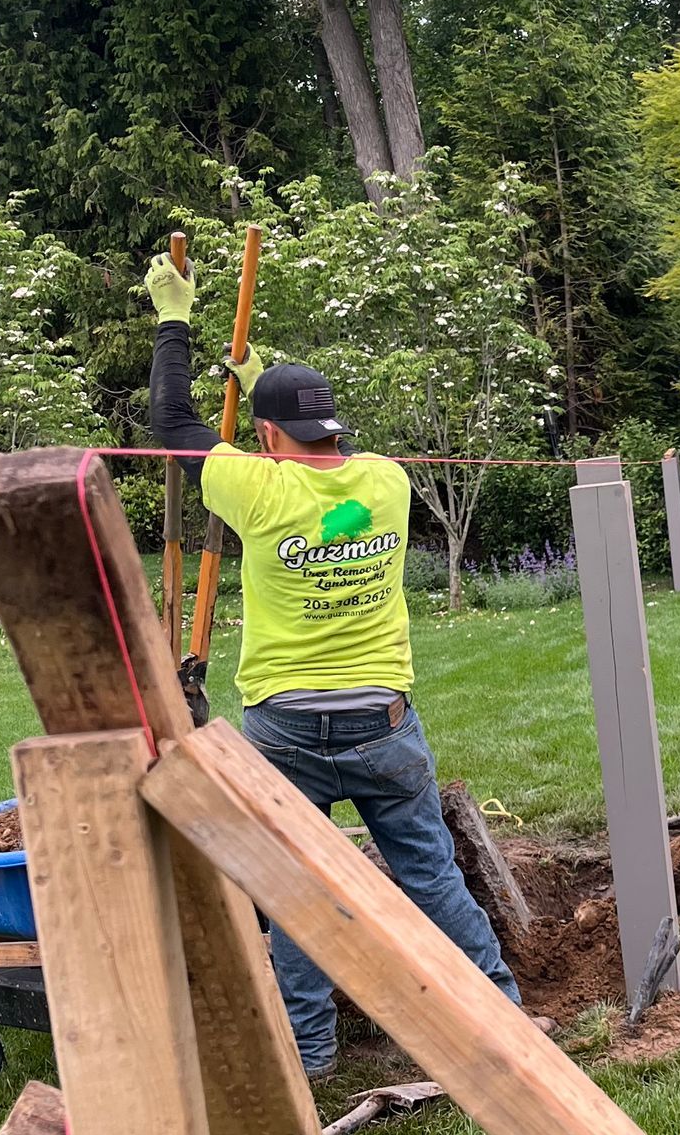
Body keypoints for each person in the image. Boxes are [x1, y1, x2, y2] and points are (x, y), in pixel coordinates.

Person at [144, 250, 519, 1077]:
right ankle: (506, 1016)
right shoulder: (384, 483)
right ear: (334, 427)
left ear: (267, 435)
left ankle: (310, 1055)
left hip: (286, 730)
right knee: (431, 877)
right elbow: (323, 451)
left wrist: (175, 319)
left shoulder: (255, 490)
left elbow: (172, 422)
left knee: (298, 896)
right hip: (382, 722)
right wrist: (258, 377)